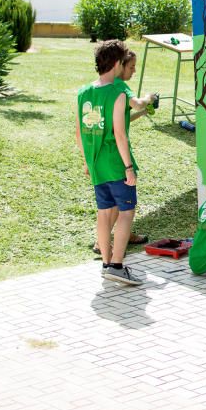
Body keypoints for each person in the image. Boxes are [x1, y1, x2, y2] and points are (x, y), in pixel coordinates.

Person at [75, 40, 142, 285]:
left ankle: (106, 264)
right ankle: (116, 265)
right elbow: (120, 134)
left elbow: (78, 133)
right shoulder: (118, 92)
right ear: (116, 63)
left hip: (96, 165)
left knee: (104, 214)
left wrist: (87, 162)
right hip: (116, 164)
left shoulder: (83, 92)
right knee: (126, 212)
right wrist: (128, 167)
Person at [90, 49, 156, 253]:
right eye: (132, 66)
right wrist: (148, 98)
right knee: (122, 205)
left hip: (99, 159)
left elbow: (118, 121)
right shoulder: (118, 86)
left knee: (110, 205)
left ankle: (111, 240)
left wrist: (144, 113)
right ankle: (107, 249)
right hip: (117, 158)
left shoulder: (102, 88)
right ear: (119, 65)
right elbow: (136, 105)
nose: (134, 71)